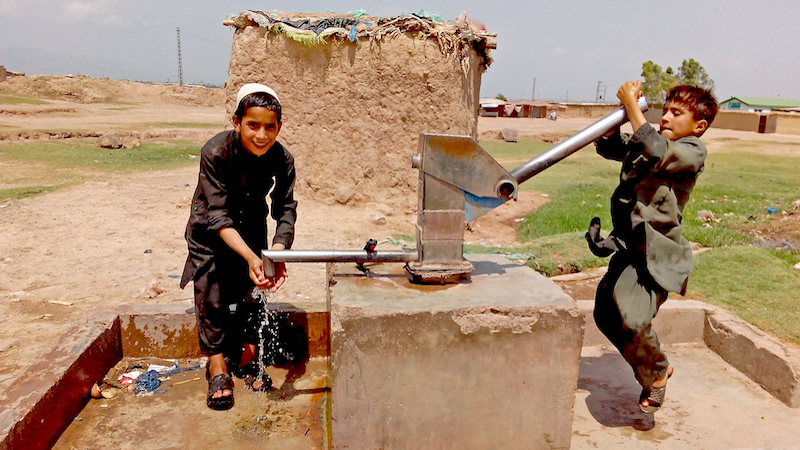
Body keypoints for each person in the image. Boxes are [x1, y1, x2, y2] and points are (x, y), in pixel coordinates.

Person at [585, 80, 717, 413]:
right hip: (630, 249)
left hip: (657, 256)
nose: (667, 117)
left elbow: (656, 149)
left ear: (698, 126)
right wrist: (614, 123)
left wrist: (632, 103)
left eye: (677, 113)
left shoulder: (691, 151)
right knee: (605, 314)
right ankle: (654, 366)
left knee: (633, 319)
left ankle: (656, 373)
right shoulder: (651, 142)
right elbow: (616, 147)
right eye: (666, 111)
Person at [179, 83, 297, 410]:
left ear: (279, 127)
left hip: (251, 222)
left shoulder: (282, 159)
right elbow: (217, 214)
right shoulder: (215, 152)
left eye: (269, 126)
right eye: (253, 125)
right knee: (211, 289)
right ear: (237, 122)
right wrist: (249, 255)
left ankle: (247, 355)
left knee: (254, 287)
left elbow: (285, 208)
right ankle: (216, 364)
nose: (261, 134)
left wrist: (276, 251)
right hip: (209, 227)